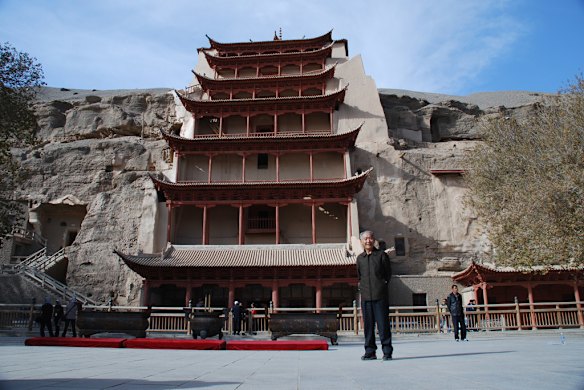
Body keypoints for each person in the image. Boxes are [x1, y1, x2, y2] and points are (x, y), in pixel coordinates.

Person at [356, 230, 393, 361]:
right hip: (366, 297)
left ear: (374, 240)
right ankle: (370, 351)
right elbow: (359, 276)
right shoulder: (360, 259)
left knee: (383, 325)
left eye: (370, 238)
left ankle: (387, 351)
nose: (368, 241)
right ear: (361, 241)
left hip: (380, 296)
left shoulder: (382, 255)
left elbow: (388, 274)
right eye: (365, 239)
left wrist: (381, 286)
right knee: (368, 326)